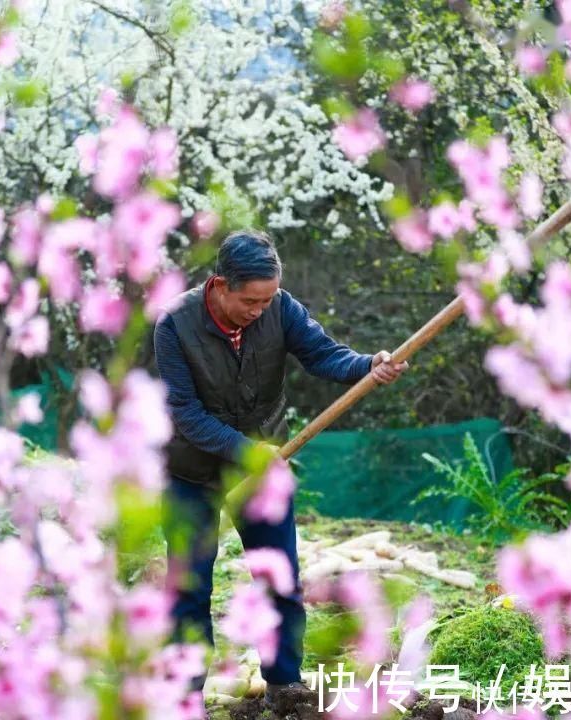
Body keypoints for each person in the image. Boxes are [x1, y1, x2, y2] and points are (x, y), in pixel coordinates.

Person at [153, 230, 408, 711]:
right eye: (250, 301)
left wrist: (367, 366)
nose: (260, 310)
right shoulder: (174, 325)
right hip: (192, 471)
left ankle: (285, 684)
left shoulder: (280, 308)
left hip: (263, 468)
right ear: (221, 285)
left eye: (268, 300)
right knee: (190, 586)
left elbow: (323, 354)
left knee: (279, 578)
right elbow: (184, 412)